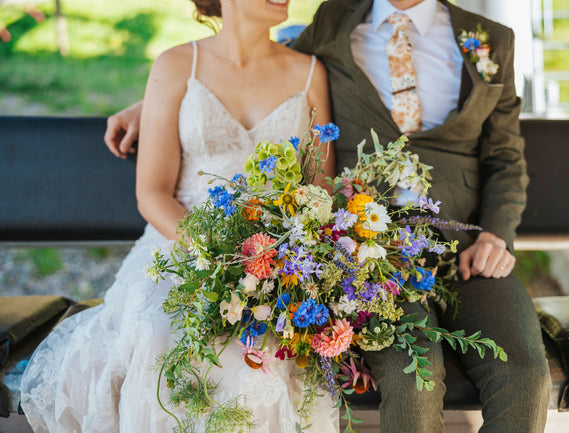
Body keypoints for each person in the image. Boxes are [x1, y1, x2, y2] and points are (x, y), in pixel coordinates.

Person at [104, 0, 552, 432]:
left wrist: (496, 234)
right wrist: (162, 101)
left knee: (527, 376)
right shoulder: (337, 19)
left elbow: (504, 156)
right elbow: (254, 54)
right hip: (368, 259)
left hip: (468, 248)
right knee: (415, 376)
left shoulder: (491, 40)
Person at [20, 0, 338, 432]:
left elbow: (319, 189)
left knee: (257, 354)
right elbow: (152, 193)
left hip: (276, 262)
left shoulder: (308, 73)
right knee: (161, 336)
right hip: (179, 245)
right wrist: (218, 253)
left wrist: (273, 263)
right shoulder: (175, 65)